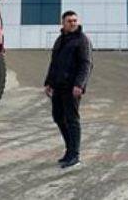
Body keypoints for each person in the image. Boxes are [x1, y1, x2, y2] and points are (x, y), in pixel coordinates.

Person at [44, 10, 92, 169]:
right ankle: (69, 149)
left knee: (72, 119)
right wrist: (48, 82)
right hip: (58, 86)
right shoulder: (60, 40)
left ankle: (75, 155)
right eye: (69, 21)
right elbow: (54, 63)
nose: (73, 23)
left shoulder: (82, 40)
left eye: (75, 20)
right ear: (63, 23)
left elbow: (86, 65)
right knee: (58, 117)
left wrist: (80, 84)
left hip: (72, 88)